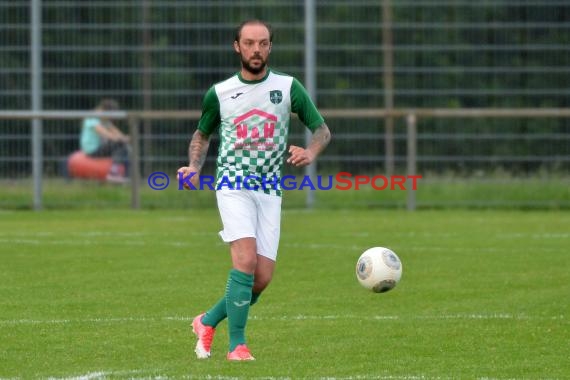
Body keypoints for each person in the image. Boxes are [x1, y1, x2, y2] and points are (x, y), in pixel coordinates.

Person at [177, 19, 331, 361]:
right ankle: (238, 346)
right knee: (245, 261)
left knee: (261, 278)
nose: (256, 50)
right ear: (237, 47)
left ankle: (207, 320)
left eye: (262, 43)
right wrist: (193, 167)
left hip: (269, 190)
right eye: (249, 43)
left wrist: (310, 151)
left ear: (270, 47)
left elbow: (321, 130)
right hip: (232, 186)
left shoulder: (288, 87)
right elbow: (202, 135)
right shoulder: (219, 93)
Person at [80, 98, 130, 182]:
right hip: (92, 150)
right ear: (104, 110)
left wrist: (124, 137)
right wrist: (120, 139)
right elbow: (104, 133)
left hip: (100, 148)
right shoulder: (92, 118)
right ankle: (114, 173)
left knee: (125, 148)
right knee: (120, 144)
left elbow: (114, 130)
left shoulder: (103, 119)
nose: (110, 117)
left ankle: (127, 176)